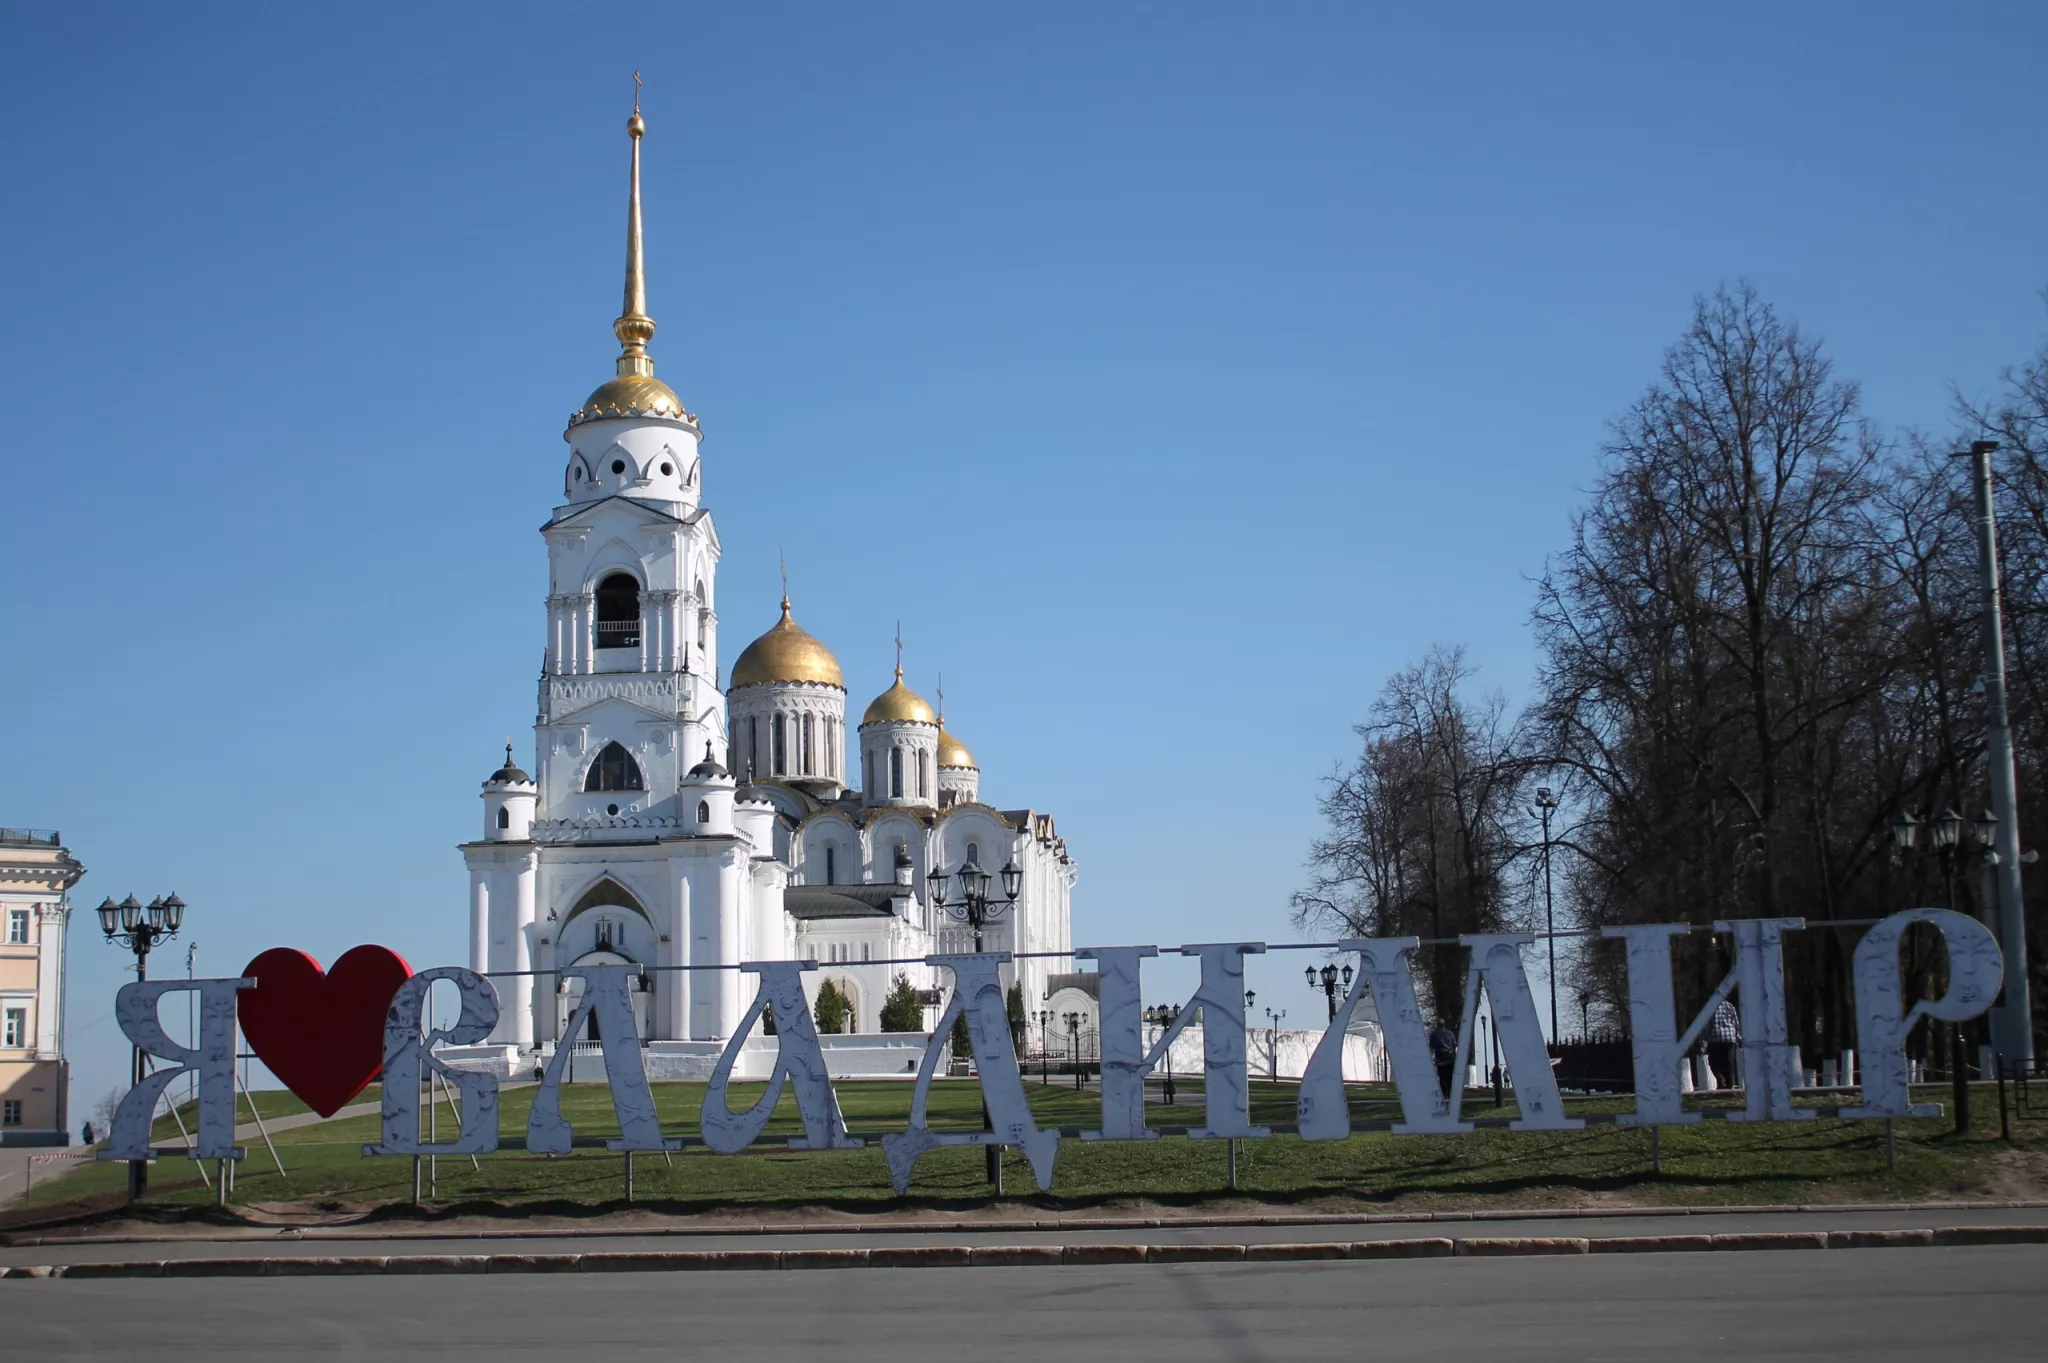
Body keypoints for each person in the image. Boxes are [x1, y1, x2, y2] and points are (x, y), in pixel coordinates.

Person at [1707, 997, 1741, 1089]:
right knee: (1729, 1063)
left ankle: (1721, 1081)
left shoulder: (1710, 1006)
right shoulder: (1729, 1006)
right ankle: (1730, 1086)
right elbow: (1736, 1022)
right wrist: (1737, 1037)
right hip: (1729, 1038)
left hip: (1715, 1038)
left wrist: (1705, 1039)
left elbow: (1708, 1024)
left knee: (1713, 1063)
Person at [1429, 1022, 1459, 1099]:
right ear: (1444, 1025)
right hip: (1449, 1056)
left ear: (1437, 1025)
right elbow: (1454, 1044)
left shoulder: (1434, 1034)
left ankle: (1443, 1093)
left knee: (1442, 1076)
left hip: (1439, 1056)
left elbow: (1431, 1046)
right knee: (1449, 1076)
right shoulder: (1450, 1033)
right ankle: (1449, 1093)